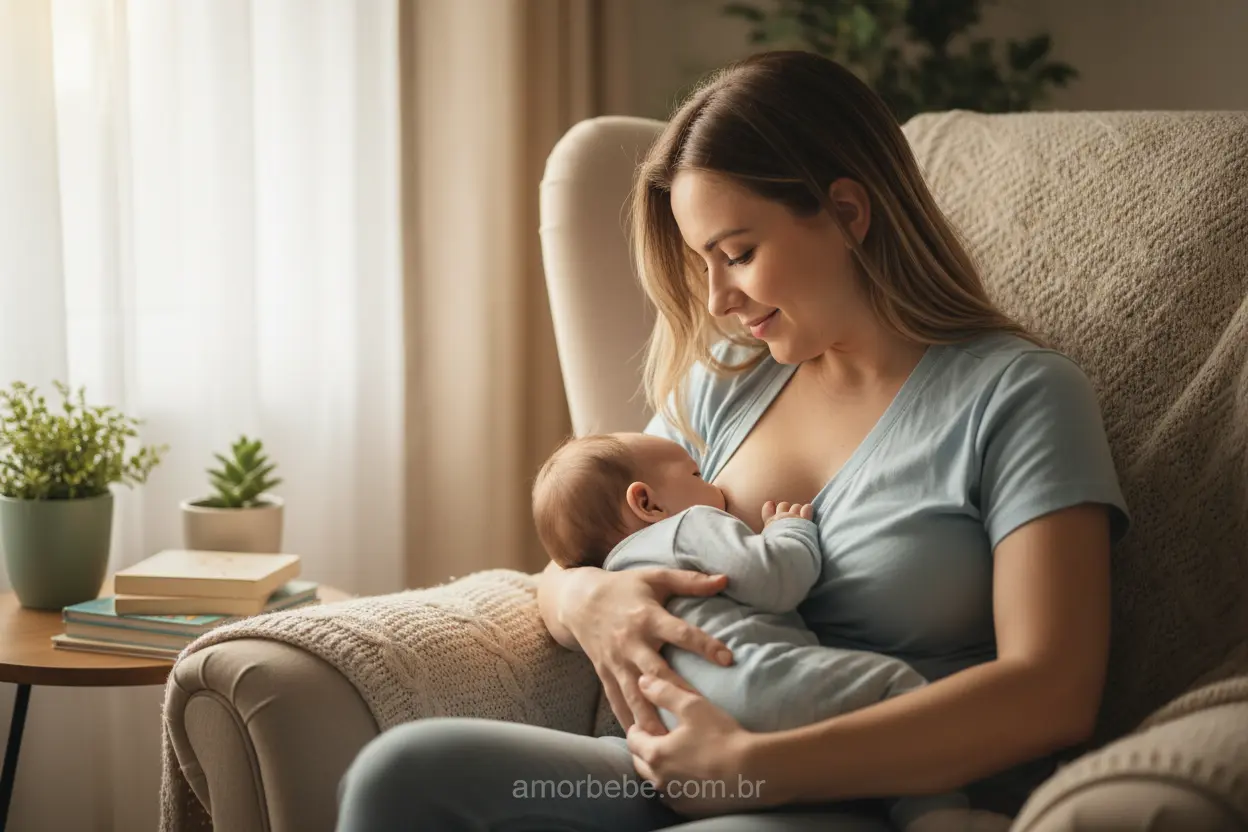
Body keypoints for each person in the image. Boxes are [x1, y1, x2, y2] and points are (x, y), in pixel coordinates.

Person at [336, 49, 1130, 831]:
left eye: (738, 254)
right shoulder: (727, 388)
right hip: (670, 771)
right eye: (702, 264)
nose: (718, 299)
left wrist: (756, 771)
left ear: (849, 213)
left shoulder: (1020, 396)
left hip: (884, 796)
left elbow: (1051, 690)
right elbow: (587, 547)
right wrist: (590, 599)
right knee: (401, 774)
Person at [530, 431, 1012, 831]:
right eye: (697, 474)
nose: (713, 482)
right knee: (900, 692)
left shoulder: (616, 572)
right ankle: (937, 816)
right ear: (646, 502)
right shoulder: (688, 526)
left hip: (677, 737)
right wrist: (789, 531)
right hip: (756, 682)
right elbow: (776, 581)